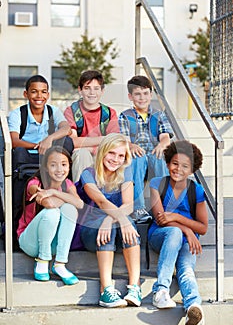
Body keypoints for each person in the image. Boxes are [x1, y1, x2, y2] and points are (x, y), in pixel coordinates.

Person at [148, 140, 208, 325]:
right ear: (167, 163)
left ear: (192, 170)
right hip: (161, 235)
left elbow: (203, 227)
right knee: (173, 231)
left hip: (188, 241)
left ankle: (193, 306)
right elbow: (160, 219)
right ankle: (161, 291)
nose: (178, 169)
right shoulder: (157, 184)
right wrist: (187, 229)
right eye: (175, 163)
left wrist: (177, 218)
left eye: (185, 166)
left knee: (186, 269)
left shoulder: (196, 190)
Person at [79, 133, 141, 308]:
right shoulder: (88, 173)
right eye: (112, 153)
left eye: (121, 155)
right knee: (115, 228)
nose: (116, 159)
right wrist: (111, 220)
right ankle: (106, 290)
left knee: (129, 225)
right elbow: (101, 201)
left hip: (115, 225)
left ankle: (135, 287)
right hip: (91, 230)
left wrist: (111, 219)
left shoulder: (125, 172)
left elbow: (128, 204)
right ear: (103, 151)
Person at [17, 146, 84, 284]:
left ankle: (60, 264)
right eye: (53, 165)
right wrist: (63, 198)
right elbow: (48, 204)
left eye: (64, 164)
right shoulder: (35, 183)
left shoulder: (68, 184)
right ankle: (42, 261)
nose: (60, 169)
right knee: (52, 212)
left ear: (69, 166)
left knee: (70, 210)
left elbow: (80, 204)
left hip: (53, 243)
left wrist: (54, 192)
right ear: (46, 167)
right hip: (29, 242)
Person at [119, 75, 173, 223]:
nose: (142, 98)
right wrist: (131, 145)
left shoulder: (159, 115)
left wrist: (162, 143)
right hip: (137, 156)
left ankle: (166, 205)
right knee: (136, 158)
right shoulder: (125, 116)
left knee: (161, 156)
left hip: (154, 154)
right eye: (137, 94)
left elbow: (165, 137)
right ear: (130, 96)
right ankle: (138, 209)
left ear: (151, 94)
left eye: (145, 93)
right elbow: (124, 140)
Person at [8, 74, 73, 171]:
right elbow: (14, 141)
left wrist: (49, 139)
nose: (39, 96)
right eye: (34, 92)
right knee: (19, 151)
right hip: (27, 156)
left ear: (48, 95)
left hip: (50, 156)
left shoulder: (53, 111)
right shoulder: (17, 114)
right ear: (26, 94)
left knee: (67, 141)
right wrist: (39, 146)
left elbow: (67, 129)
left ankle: (65, 182)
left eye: (43, 92)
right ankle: (21, 183)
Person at [64, 70, 120, 183]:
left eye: (96, 88)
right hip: (80, 156)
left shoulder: (109, 113)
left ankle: (103, 197)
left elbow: (113, 142)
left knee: (109, 157)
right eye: (87, 88)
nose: (91, 92)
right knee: (82, 154)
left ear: (102, 90)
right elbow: (73, 142)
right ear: (80, 90)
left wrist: (89, 147)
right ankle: (82, 196)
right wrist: (103, 139)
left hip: (103, 154)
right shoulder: (71, 111)